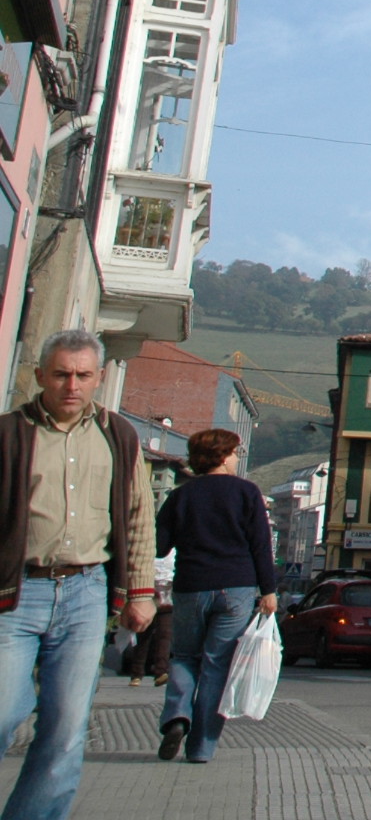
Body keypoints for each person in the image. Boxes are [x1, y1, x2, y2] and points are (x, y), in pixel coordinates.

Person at [0, 330, 157, 819]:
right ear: (40, 375)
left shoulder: (119, 435)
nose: (72, 384)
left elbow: (137, 515)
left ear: (99, 379)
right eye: (62, 374)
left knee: (66, 728)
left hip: (86, 593)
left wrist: (141, 592)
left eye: (83, 375)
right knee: (3, 712)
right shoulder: (8, 433)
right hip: (16, 593)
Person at [156, 428, 279, 763]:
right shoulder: (246, 493)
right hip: (236, 587)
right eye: (235, 453)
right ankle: (201, 748)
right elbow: (260, 545)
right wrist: (268, 590)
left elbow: (160, 545)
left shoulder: (180, 496)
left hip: (191, 585)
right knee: (217, 666)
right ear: (223, 456)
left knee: (183, 656)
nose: (237, 459)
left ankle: (177, 716)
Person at [122, 547, 175, 686]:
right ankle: (137, 673)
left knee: (165, 635)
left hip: (167, 599)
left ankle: (161, 671)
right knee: (144, 635)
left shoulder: (174, 552)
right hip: (148, 596)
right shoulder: (148, 552)